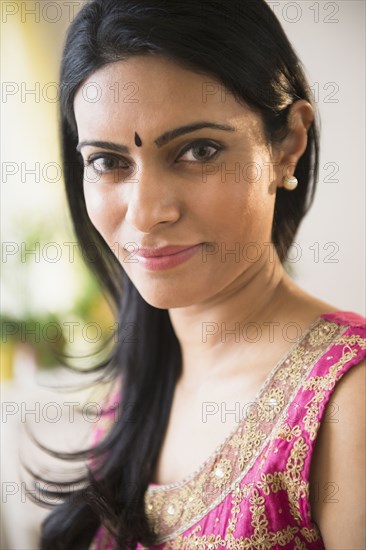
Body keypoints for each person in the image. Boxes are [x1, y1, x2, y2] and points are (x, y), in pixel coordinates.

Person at [38, 0, 366, 548]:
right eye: (108, 162)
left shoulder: (347, 405)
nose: (145, 213)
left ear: (289, 145)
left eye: (198, 150)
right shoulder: (133, 392)